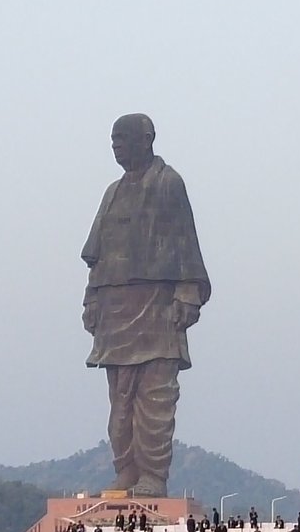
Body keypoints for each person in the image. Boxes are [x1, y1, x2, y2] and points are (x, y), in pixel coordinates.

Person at [82, 114, 211, 498]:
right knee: (120, 402)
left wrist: (187, 293)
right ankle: (126, 470)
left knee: (155, 397)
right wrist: (91, 299)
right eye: (113, 139)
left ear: (147, 139)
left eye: (123, 138)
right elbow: (97, 256)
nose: (116, 145)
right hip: (115, 308)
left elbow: (185, 242)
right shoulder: (113, 192)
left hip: (157, 305)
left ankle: (153, 474)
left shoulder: (168, 183)